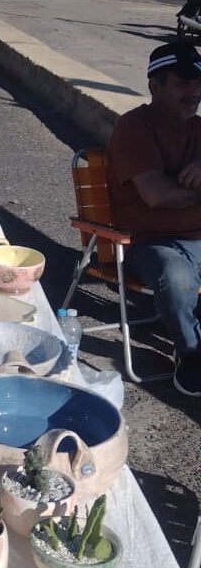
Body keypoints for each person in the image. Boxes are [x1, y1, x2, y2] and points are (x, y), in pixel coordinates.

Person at [108, 39, 201, 397]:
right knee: (176, 277)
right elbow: (157, 196)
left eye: (197, 83)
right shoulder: (135, 127)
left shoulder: (199, 129)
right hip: (148, 243)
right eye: (182, 83)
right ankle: (191, 352)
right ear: (154, 85)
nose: (193, 92)